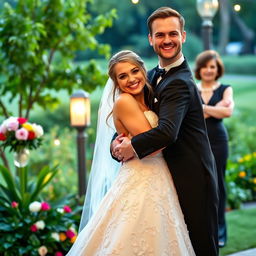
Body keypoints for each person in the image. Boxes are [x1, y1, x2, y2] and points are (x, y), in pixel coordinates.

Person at [112, 7, 219, 256]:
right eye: (160, 35)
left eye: (173, 33)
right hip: (160, 179)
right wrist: (117, 146)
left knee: (201, 246)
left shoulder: (180, 81)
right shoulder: (148, 77)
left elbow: (167, 133)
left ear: (183, 35)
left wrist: (132, 147)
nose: (167, 40)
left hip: (191, 179)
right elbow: (130, 119)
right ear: (150, 39)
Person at [66, 50, 196, 255]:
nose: (131, 79)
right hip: (143, 177)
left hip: (159, 176)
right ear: (116, 83)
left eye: (134, 71)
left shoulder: (149, 96)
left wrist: (130, 142)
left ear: (144, 70)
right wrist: (127, 144)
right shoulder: (125, 102)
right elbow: (153, 144)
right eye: (122, 76)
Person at [194, 49, 234, 248]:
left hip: (218, 142)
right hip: (197, 142)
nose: (209, 70)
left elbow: (227, 111)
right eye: (205, 66)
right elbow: (189, 117)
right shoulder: (193, 88)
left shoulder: (225, 88)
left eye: (213, 67)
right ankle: (202, 230)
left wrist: (201, 108)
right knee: (200, 185)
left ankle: (220, 232)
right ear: (199, 69)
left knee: (218, 184)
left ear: (217, 69)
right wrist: (214, 109)